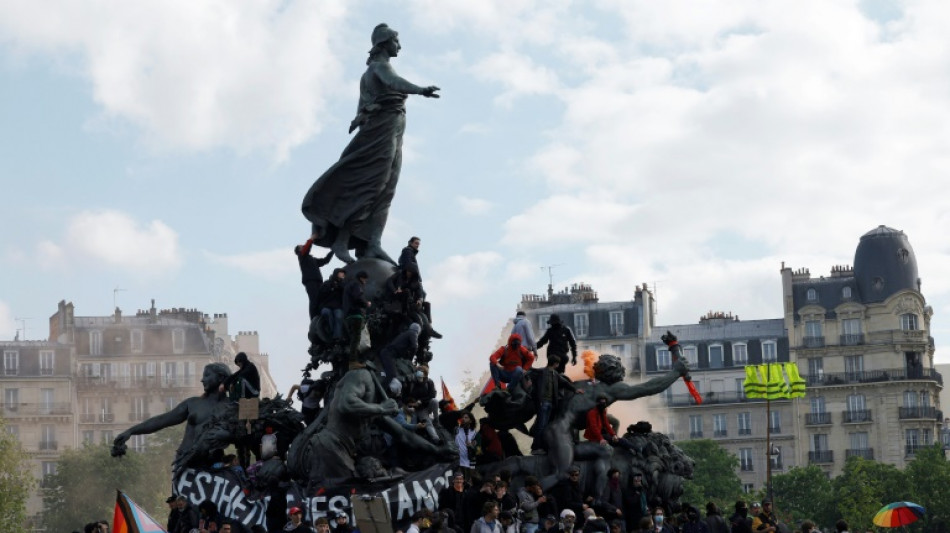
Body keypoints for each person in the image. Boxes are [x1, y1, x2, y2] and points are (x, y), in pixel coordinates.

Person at [301, 24, 440, 264]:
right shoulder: (379, 67)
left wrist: (362, 117)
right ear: (384, 43)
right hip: (382, 132)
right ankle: (343, 239)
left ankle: (373, 243)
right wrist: (420, 90)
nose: (400, 46)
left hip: (393, 132)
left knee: (387, 189)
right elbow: (394, 82)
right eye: (396, 41)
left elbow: (362, 106)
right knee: (373, 186)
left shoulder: (370, 73)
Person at [113, 363, 232, 465]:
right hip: (187, 463)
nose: (202, 380)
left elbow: (241, 435)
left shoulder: (232, 406)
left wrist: (228, 435)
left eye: (206, 375)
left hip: (215, 464)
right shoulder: (192, 403)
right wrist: (131, 431)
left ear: (220, 377)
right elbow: (162, 420)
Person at [531, 354, 582, 453]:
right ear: (555, 364)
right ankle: (536, 448)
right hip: (542, 403)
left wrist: (575, 389)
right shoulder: (541, 372)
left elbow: (565, 383)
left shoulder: (555, 374)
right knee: (541, 425)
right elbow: (530, 372)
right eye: (558, 363)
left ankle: (542, 447)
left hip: (550, 403)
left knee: (544, 425)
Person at [295, 239, 336, 320]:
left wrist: (333, 251)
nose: (303, 246)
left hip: (318, 281)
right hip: (310, 281)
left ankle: (319, 316)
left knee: (320, 299)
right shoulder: (302, 256)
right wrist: (311, 239)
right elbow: (306, 249)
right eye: (301, 246)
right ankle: (314, 318)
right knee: (314, 299)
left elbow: (325, 260)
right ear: (299, 251)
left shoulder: (312, 259)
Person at [378, 323, 422, 392]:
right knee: (392, 374)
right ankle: (380, 392)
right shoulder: (413, 333)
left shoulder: (405, 333)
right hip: (388, 354)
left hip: (387, 353)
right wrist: (410, 359)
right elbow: (414, 347)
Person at [343, 271, 372, 365]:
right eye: (365, 279)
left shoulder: (348, 285)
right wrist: (366, 303)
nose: (365, 282)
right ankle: (353, 361)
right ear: (362, 278)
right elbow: (358, 297)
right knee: (356, 338)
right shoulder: (356, 284)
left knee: (353, 338)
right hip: (356, 314)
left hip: (349, 315)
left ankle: (353, 360)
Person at [404, 368, 440, 441]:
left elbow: (432, 395)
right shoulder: (411, 383)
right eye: (418, 371)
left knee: (434, 401)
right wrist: (412, 403)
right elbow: (405, 396)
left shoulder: (429, 382)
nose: (419, 373)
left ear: (425, 374)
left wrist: (421, 401)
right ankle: (435, 438)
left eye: (422, 372)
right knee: (424, 422)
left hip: (425, 407)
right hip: (414, 408)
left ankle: (436, 422)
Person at [317, 268, 347, 342]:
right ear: (336, 274)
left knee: (338, 316)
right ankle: (332, 332)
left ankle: (337, 337)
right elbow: (321, 294)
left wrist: (339, 286)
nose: (343, 275)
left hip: (338, 306)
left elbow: (346, 294)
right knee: (326, 313)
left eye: (343, 274)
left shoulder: (343, 285)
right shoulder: (327, 283)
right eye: (341, 273)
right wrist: (332, 288)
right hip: (326, 306)